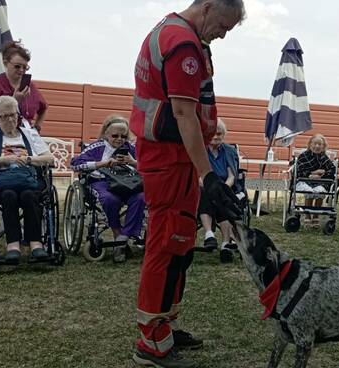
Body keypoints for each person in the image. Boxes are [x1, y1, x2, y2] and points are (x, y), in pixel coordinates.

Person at [129, 1, 245, 367]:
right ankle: (150, 339)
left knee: (180, 244)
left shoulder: (173, 32)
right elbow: (183, 113)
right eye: (223, 25)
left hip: (174, 158)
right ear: (208, 7)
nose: (223, 34)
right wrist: (206, 173)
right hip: (170, 160)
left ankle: (164, 325)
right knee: (167, 244)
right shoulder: (182, 44)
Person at [0, 95, 54, 264]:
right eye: (4, 116)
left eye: (13, 114)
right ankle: (13, 245)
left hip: (29, 180)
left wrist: (30, 159)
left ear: (18, 114)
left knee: (29, 196)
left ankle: (36, 243)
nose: (10, 119)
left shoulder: (30, 134)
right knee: (9, 196)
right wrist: (0, 160)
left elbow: (49, 159)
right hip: (2, 183)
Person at [71, 115, 146, 263]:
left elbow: (149, 167)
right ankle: (118, 235)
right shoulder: (97, 147)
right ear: (106, 134)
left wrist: (134, 162)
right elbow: (75, 164)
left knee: (141, 198)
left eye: (123, 136)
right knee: (109, 199)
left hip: (128, 184)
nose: (119, 139)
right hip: (102, 182)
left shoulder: (131, 148)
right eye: (115, 135)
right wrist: (102, 164)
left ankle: (123, 239)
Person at [199, 119, 243, 262]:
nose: (216, 136)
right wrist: (210, 187)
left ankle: (225, 244)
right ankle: (209, 234)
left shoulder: (229, 151)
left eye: (219, 134)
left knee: (223, 198)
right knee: (207, 194)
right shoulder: (200, 150)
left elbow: (232, 176)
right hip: (203, 186)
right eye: (212, 133)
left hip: (225, 187)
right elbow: (197, 175)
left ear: (224, 135)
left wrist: (222, 188)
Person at [0, 40, 48, 132]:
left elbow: (44, 108)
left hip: (25, 137)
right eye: (17, 66)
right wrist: (14, 100)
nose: (21, 70)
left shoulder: (30, 86)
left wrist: (37, 127)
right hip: (1, 136)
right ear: (5, 63)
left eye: (25, 67)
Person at [295, 134, 336, 228]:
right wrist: (311, 174)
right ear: (310, 144)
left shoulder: (324, 158)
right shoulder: (304, 156)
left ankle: (316, 216)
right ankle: (307, 215)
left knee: (320, 190)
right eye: (315, 143)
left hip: (320, 181)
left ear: (323, 146)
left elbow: (332, 170)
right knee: (309, 190)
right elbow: (299, 170)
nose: (317, 146)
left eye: (320, 144)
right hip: (305, 180)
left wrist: (322, 174)